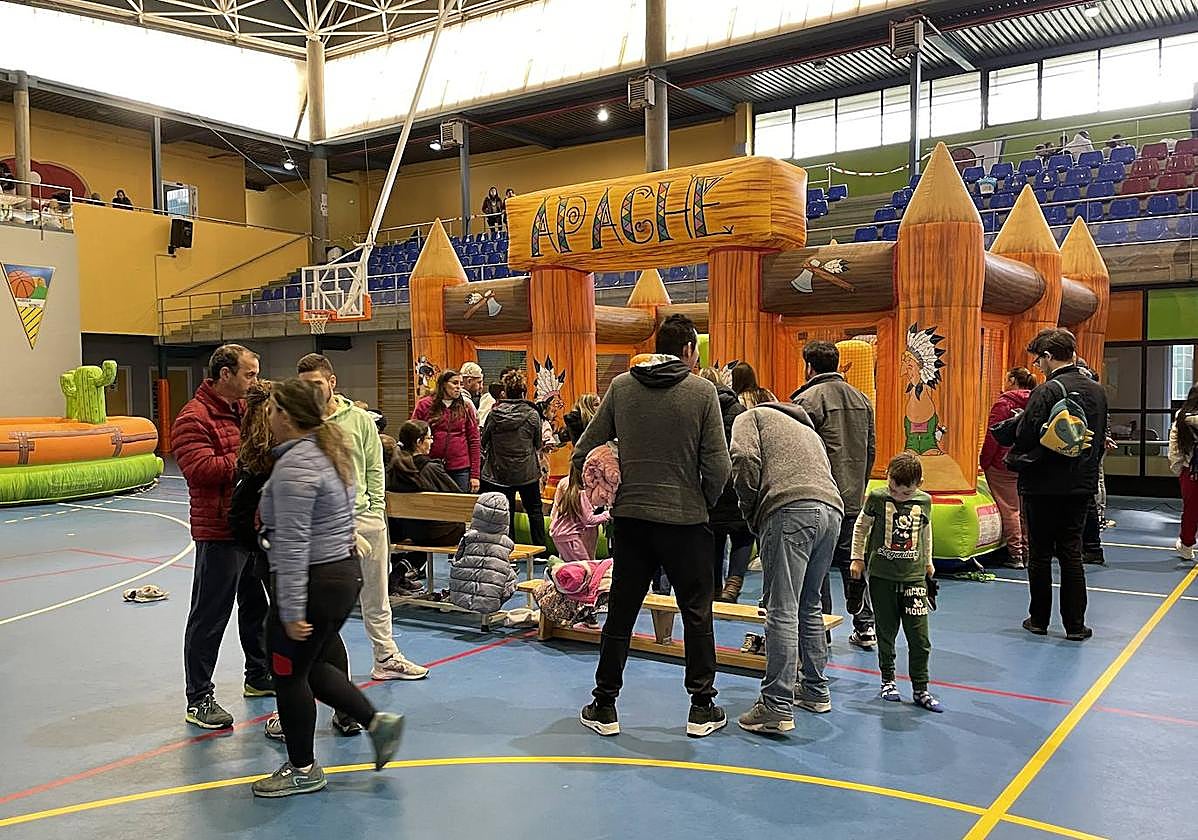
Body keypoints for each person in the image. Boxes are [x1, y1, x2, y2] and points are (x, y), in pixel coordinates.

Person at [572, 314, 731, 738]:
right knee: (696, 613)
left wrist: (600, 489)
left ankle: (604, 704)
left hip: (631, 519)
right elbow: (718, 464)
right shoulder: (702, 392)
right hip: (686, 520)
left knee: (621, 611)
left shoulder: (622, 387)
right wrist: (702, 500)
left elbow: (585, 448)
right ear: (689, 350)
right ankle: (702, 707)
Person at [251, 378, 405, 798]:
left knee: (287, 673)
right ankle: (377, 722)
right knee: (310, 666)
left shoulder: (296, 466)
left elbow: (293, 543)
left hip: (315, 581)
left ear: (286, 416)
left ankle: (303, 768)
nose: (268, 417)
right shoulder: (328, 452)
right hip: (340, 575)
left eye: (272, 410)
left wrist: (290, 608)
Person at [297, 354, 428, 681]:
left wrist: (374, 511)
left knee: (376, 594)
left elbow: (374, 468)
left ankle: (385, 657)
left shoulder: (359, 420)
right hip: (324, 527)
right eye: (304, 386)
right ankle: (315, 666)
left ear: (332, 382)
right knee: (322, 601)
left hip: (366, 520)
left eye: (316, 384)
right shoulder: (299, 421)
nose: (311, 392)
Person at [731, 401, 844, 734]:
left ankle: (775, 706)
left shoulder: (750, 416)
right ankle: (814, 689)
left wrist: (749, 510)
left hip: (789, 508)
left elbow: (743, 458)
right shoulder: (806, 429)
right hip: (831, 511)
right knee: (810, 604)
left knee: (781, 608)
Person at [172, 345, 270, 729]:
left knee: (256, 607)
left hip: (250, 527)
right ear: (225, 374)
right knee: (210, 616)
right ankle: (198, 698)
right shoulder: (193, 418)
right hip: (218, 532)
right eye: (249, 374)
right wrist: (250, 458)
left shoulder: (244, 410)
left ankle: (258, 675)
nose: (255, 381)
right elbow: (200, 470)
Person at [1007, 328, 1107, 641]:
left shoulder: (1047, 390)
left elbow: (1025, 435)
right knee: (1071, 552)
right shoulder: (1097, 391)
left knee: (1039, 553)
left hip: (1042, 484)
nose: (1038, 365)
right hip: (1081, 483)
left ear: (1049, 356)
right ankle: (1075, 625)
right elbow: (1099, 440)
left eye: (1039, 359)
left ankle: (1038, 619)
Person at [791, 340, 878, 649]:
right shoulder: (862, 399)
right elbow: (870, 448)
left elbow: (800, 451)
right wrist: (859, 484)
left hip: (819, 495)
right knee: (852, 561)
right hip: (851, 495)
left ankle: (820, 630)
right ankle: (865, 625)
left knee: (817, 567)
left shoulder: (806, 400)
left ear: (809, 367)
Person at [850, 453, 942, 713]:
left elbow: (926, 531)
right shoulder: (877, 498)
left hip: (914, 579)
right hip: (883, 577)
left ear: (919, 484)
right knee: (886, 632)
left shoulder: (924, 501)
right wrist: (857, 558)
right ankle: (888, 680)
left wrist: (927, 561)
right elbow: (861, 527)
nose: (899, 495)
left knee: (919, 638)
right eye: (893, 489)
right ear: (887, 478)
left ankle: (921, 687)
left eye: (906, 492)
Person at [387, 420, 466, 590]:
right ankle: (399, 573)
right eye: (430, 438)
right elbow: (459, 498)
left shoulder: (394, 469)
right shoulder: (430, 469)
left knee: (426, 532)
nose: (432, 441)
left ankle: (398, 573)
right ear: (419, 442)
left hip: (409, 531)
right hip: (440, 534)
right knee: (454, 527)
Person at [697, 368, 752, 603]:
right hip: (737, 479)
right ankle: (733, 582)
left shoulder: (699, 408)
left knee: (714, 535)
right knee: (743, 534)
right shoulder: (739, 410)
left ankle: (714, 587)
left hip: (710, 479)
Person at [481, 369, 546, 548]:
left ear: (505, 392)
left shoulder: (494, 414)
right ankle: (540, 550)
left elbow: (484, 441)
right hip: (527, 472)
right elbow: (537, 443)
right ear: (524, 392)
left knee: (505, 512)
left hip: (499, 473)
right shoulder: (532, 414)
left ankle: (508, 550)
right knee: (534, 511)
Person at [980, 367, 1036, 569]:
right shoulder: (1036, 401)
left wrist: (984, 461)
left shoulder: (1004, 403)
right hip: (1026, 462)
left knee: (1010, 509)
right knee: (1023, 509)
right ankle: (1027, 551)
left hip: (1002, 463)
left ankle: (1016, 554)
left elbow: (993, 436)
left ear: (1012, 380)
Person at [448, 492, 519, 614]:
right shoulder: (506, 545)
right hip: (490, 601)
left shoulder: (468, 538)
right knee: (511, 575)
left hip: (459, 596)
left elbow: (456, 559)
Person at [412, 369, 481, 493]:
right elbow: (412, 434)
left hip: (460, 468)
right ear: (443, 384)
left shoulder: (466, 407)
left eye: (461, 384)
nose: (458, 387)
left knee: (459, 503)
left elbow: (474, 441)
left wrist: (475, 475)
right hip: (430, 465)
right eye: (454, 383)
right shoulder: (424, 405)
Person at [550, 462, 610, 563]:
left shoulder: (570, 490)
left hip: (559, 534)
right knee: (584, 565)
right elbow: (589, 520)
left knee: (570, 563)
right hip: (570, 535)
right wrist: (608, 514)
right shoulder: (582, 494)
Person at [1168, 385, 1198, 561]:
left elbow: (1174, 445)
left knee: (1190, 511)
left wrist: (1178, 467)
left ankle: (1187, 545)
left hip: (1191, 470)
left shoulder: (1182, 416)